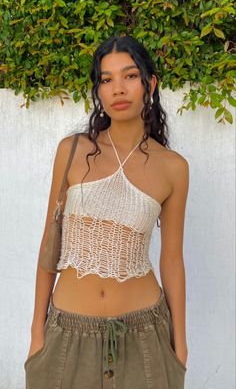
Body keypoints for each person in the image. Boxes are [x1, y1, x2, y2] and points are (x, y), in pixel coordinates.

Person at [24, 35, 189, 389]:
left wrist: (181, 345)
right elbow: (48, 246)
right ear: (98, 90)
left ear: (150, 84)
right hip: (67, 334)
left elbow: (172, 260)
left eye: (130, 76)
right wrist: (37, 331)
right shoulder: (72, 151)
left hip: (144, 336)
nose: (119, 89)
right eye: (106, 79)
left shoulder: (173, 167)